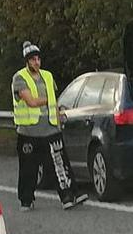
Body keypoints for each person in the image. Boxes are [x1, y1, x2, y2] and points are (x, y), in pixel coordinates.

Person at [12, 41, 88, 211]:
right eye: (33, 60)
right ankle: (26, 199)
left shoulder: (47, 76)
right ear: (27, 61)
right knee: (28, 168)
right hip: (29, 131)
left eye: (38, 59)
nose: (36, 62)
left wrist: (59, 114)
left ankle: (68, 196)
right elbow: (31, 101)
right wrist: (48, 100)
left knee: (59, 163)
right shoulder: (20, 78)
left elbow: (55, 100)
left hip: (51, 128)